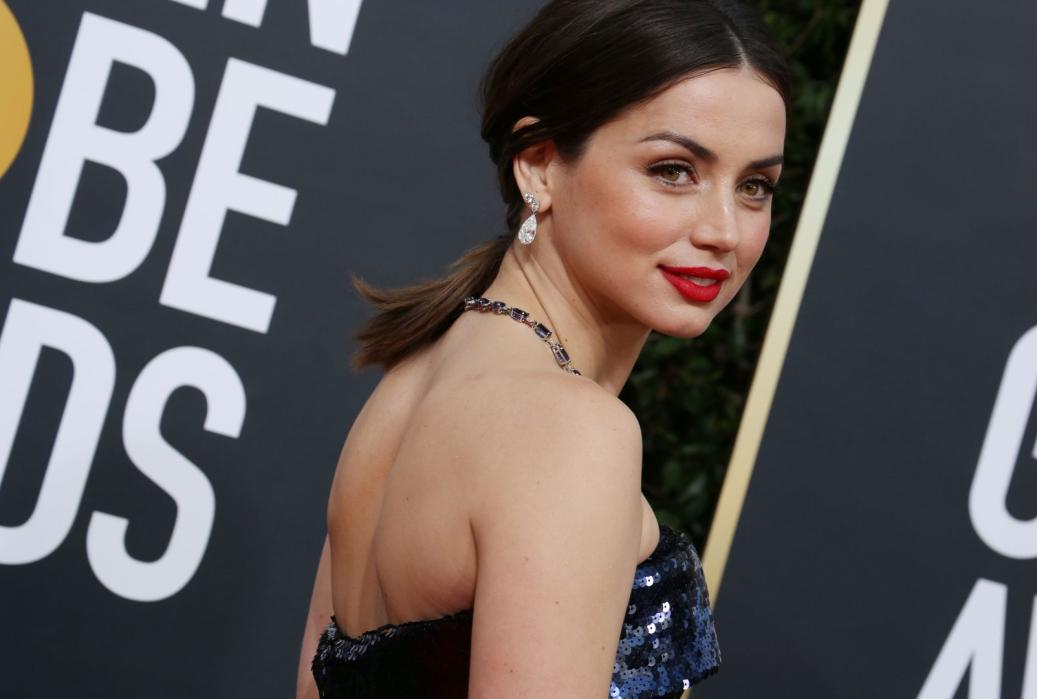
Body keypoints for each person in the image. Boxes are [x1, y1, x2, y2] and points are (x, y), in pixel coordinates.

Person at [295, 0, 790, 696]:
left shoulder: (411, 381)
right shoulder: (570, 429)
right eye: (674, 170)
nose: (724, 230)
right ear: (538, 165)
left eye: (754, 187)